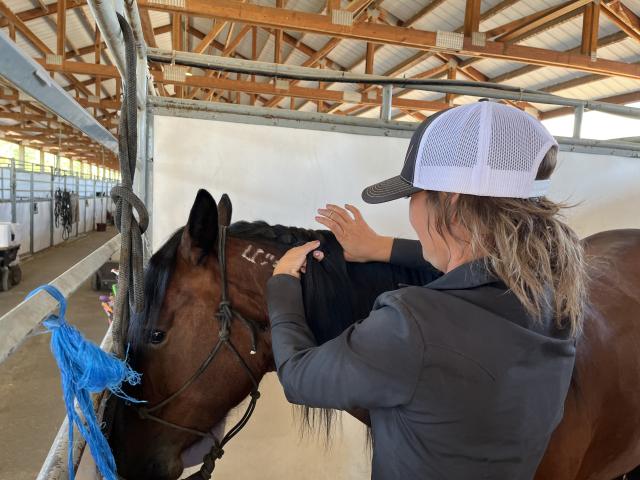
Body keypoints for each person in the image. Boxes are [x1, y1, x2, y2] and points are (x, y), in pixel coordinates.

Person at [266, 101, 587, 479]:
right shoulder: (557, 295)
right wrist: (381, 247)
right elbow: (481, 263)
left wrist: (283, 283)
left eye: (411, 196)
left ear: (451, 206)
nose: (411, 212)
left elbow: (299, 376)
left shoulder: (411, 325)